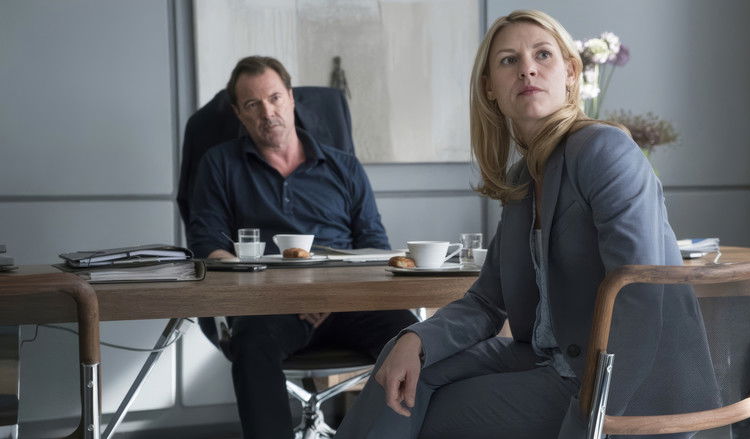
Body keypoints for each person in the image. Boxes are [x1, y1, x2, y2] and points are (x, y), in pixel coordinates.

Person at [335, 10, 718, 439]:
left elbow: (641, 296)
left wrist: (591, 416)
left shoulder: (604, 150)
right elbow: (487, 302)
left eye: (542, 55)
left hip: (619, 387)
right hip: (551, 359)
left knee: (420, 412)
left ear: (570, 73)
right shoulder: (524, 177)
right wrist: (416, 340)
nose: (527, 69)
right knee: (404, 360)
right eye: (508, 60)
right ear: (490, 88)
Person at [186, 56, 418, 439]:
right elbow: (209, 246)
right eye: (252, 104)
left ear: (291, 98)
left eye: (275, 98)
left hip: (348, 301)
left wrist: (331, 294)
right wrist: (275, 293)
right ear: (239, 114)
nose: (267, 112)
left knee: (412, 337)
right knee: (250, 345)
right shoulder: (219, 165)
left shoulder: (344, 167)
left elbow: (374, 246)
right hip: (270, 307)